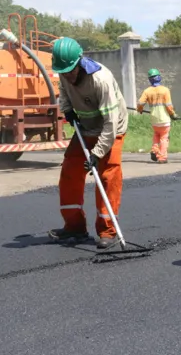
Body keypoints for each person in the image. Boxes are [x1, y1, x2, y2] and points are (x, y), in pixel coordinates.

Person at [47, 37, 129, 249]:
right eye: (62, 72)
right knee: (70, 171)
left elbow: (110, 124)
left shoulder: (100, 80)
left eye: (70, 71)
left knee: (108, 175)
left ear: (79, 62)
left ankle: (108, 231)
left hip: (110, 129)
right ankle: (74, 227)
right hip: (85, 127)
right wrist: (67, 110)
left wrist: (97, 154)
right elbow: (64, 92)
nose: (67, 75)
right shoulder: (65, 72)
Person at [137, 68, 177, 164]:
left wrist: (140, 110)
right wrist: (173, 114)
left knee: (156, 135)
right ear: (159, 77)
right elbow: (168, 105)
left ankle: (155, 150)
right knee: (164, 137)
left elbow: (140, 103)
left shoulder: (147, 91)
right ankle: (162, 157)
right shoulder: (165, 90)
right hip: (164, 119)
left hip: (154, 119)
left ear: (150, 79)